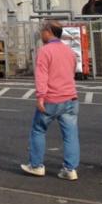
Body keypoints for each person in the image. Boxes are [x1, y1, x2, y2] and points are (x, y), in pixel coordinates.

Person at [21, 20, 80, 180]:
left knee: (38, 130)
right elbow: (72, 71)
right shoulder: (69, 52)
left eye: (42, 30)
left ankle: (36, 165)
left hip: (51, 99)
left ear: (48, 31)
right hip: (70, 98)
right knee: (70, 134)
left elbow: (41, 76)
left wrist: (40, 97)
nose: (41, 34)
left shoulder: (45, 51)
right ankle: (70, 169)